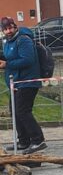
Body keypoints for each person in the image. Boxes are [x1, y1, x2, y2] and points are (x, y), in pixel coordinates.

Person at [0, 16, 46, 153]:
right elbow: (9, 55)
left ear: (15, 27)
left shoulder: (23, 39)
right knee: (14, 111)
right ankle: (24, 141)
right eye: (5, 29)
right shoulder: (7, 42)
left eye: (10, 28)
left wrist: (7, 64)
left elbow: (28, 60)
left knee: (22, 111)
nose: (8, 31)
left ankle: (38, 140)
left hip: (27, 81)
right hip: (15, 82)